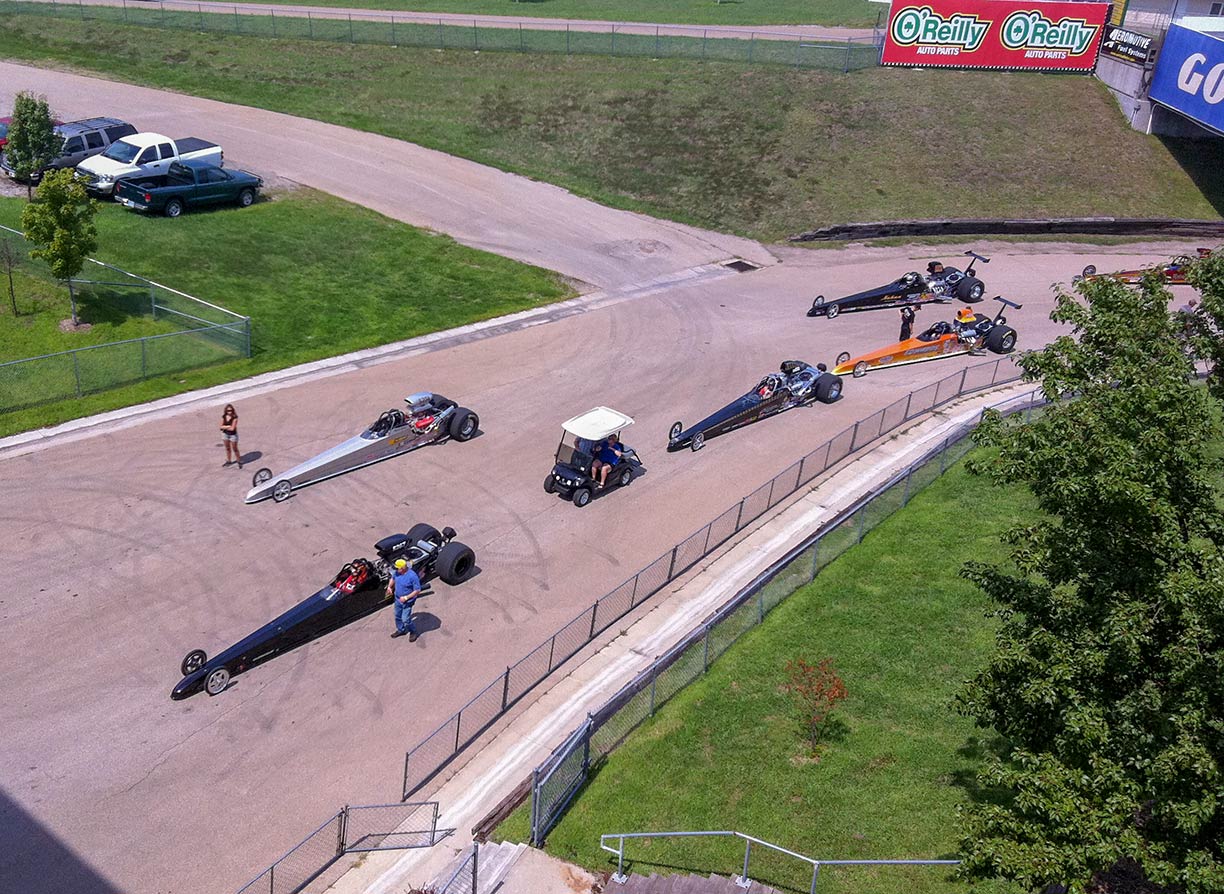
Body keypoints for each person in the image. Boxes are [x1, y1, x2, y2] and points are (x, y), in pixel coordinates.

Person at [388, 557, 421, 641]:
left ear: (402, 568)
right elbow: (393, 578)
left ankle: (413, 631)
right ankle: (401, 630)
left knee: (405, 619)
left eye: (397, 568)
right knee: (397, 616)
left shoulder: (412, 576)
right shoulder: (397, 572)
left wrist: (406, 597)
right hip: (398, 599)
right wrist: (389, 587)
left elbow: (417, 590)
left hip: (407, 601)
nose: (396, 570)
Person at [220, 404, 241, 468]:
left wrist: (224, 427)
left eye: (231, 410)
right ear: (226, 411)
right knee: (228, 448)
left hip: (233, 435)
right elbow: (220, 426)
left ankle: (239, 461)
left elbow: (232, 428)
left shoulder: (235, 417)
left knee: (235, 449)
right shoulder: (224, 416)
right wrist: (228, 426)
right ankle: (229, 461)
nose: (230, 412)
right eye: (228, 410)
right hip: (225, 434)